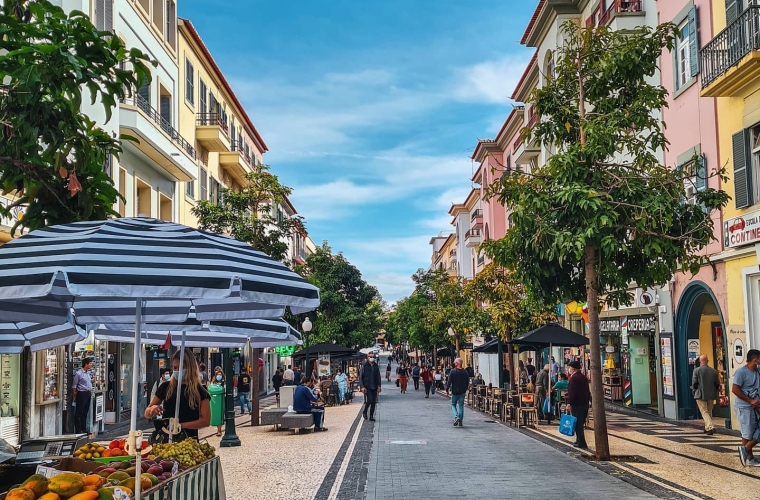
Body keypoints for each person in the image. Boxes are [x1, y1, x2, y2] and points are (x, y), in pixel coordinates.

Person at [145, 349, 211, 440]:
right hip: (166, 440)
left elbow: (206, 421)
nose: (177, 371)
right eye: (175, 368)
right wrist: (152, 409)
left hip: (189, 441)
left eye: (181, 368)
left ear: (190, 368)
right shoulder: (166, 387)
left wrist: (180, 426)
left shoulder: (200, 391)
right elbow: (147, 413)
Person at [732, 349, 760, 466]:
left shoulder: (757, 371)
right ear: (755, 359)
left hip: (756, 406)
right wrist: (750, 400)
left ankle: (746, 450)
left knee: (755, 431)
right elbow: (735, 389)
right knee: (747, 433)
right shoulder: (741, 372)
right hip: (744, 407)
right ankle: (748, 456)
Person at [692, 354, 720, 435]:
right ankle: (707, 427)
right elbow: (717, 383)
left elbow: (695, 383)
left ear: (700, 361)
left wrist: (694, 391)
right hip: (711, 394)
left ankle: (710, 426)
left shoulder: (696, 370)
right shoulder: (714, 371)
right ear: (707, 361)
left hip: (700, 394)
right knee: (709, 411)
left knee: (704, 411)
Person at [565, 360, 590, 449]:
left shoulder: (574, 378)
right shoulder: (583, 377)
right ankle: (578, 440)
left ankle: (582, 443)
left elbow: (572, 392)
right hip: (584, 403)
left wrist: (569, 403)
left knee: (578, 424)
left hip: (577, 404)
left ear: (573, 368)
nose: (569, 370)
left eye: (569, 368)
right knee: (579, 423)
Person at [72, 357, 94, 434]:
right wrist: (75, 395)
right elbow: (74, 385)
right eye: (90, 363)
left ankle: (84, 429)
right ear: (86, 364)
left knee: (85, 412)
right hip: (82, 394)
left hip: (88, 393)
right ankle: (78, 430)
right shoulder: (78, 374)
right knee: (79, 412)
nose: (91, 365)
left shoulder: (88, 373)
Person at [446, 358, 469, 427]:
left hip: (455, 391)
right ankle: (460, 422)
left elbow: (449, 381)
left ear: (457, 363)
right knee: (461, 406)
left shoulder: (453, 371)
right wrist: (465, 389)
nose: (454, 363)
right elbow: (467, 382)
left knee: (453, 404)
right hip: (462, 391)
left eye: (455, 362)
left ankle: (456, 416)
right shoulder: (465, 372)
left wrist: (447, 389)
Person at [360, 351, 382, 421]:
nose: (372, 358)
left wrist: (379, 386)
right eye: (370, 357)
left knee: (373, 402)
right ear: (367, 357)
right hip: (367, 386)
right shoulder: (364, 366)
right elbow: (360, 377)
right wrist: (362, 386)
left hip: (374, 385)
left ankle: (371, 416)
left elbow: (378, 376)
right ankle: (365, 411)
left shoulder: (376, 365)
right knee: (369, 400)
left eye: (373, 357)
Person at [211, 366, 225, 436]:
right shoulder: (214, 380)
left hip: (223, 399)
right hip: (217, 399)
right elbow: (211, 387)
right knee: (218, 414)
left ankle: (220, 430)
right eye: (217, 373)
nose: (218, 375)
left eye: (219, 374)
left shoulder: (224, 380)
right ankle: (219, 430)